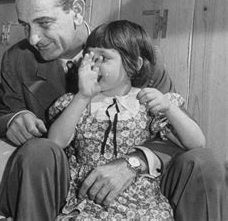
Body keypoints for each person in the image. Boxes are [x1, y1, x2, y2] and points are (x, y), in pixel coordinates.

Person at [0, 0, 225, 221]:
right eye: (25, 26)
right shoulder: (18, 59)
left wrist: (133, 163)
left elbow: (178, 131)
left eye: (44, 23)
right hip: (66, 180)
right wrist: (14, 120)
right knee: (37, 150)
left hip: (143, 186)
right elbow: (3, 116)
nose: (33, 38)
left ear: (77, 11)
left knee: (204, 162)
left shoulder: (135, 52)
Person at [47, 20, 205, 220]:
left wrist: (170, 109)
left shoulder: (148, 101)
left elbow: (197, 142)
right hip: (89, 200)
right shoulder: (77, 102)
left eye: (104, 57)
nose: (94, 64)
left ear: (134, 65)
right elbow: (55, 142)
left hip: (142, 204)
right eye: (89, 57)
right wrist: (83, 96)